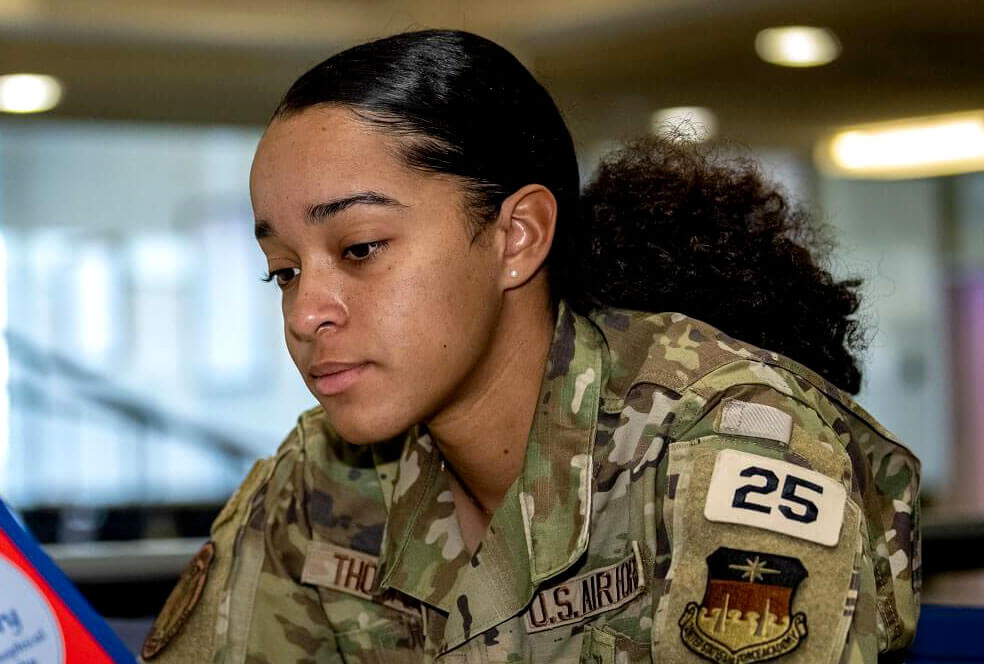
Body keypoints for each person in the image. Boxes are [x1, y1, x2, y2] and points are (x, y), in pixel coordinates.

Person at [139, 29, 920, 664]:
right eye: (282, 271)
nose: (306, 312)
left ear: (517, 237)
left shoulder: (726, 456)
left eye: (362, 248)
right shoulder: (327, 479)